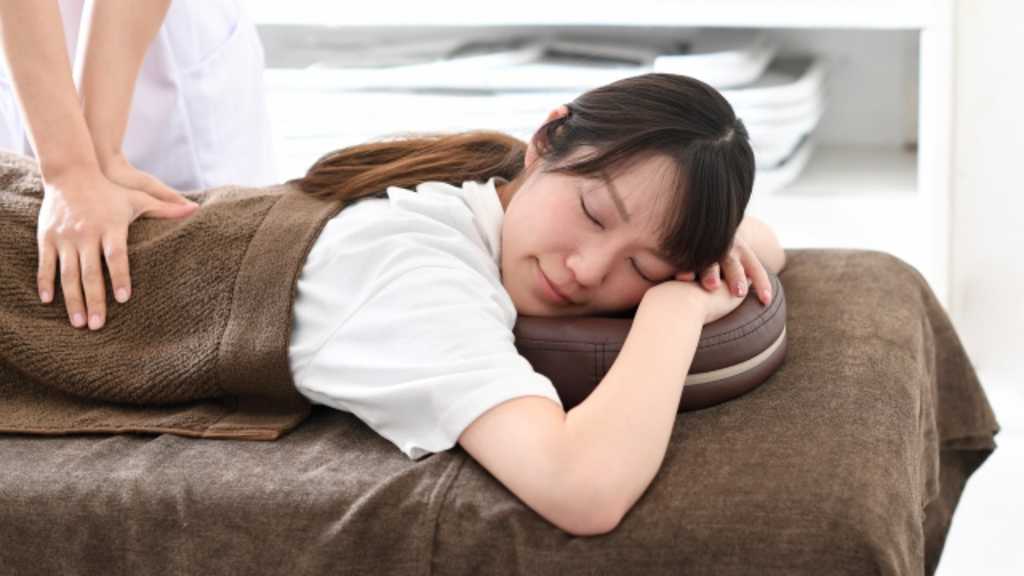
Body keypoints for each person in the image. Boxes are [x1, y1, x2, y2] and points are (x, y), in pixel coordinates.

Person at [284, 73, 784, 535]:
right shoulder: (415, 272)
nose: (587, 270)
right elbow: (583, 491)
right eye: (594, 214)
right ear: (545, 142)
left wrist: (710, 250)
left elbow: (769, 246)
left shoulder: (496, 191)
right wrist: (675, 308)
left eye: (642, 267)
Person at [0, 0, 276, 331]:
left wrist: (96, 158)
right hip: (22, 50)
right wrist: (69, 172)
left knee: (228, 290)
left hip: (155, 39)